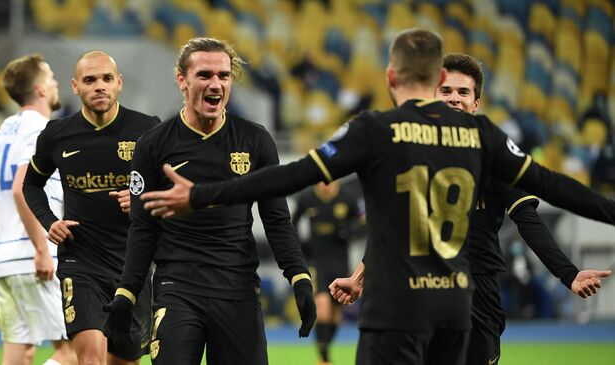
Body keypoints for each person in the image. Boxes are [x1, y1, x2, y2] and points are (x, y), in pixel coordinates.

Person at [136, 29, 615, 365]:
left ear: (391, 77)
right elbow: (554, 185)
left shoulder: (375, 131)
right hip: (455, 303)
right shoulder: (482, 135)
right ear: (434, 81)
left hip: (397, 305)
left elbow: (291, 177)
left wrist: (202, 195)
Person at [331, 52, 613, 365]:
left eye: (463, 92)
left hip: (478, 292)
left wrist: (568, 274)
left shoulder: (495, 154)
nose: (454, 98)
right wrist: (360, 276)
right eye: (446, 91)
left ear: (476, 103)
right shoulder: (413, 155)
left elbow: (527, 219)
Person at [102, 37, 315, 365]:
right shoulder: (153, 145)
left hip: (238, 289)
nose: (215, 83)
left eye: (223, 76)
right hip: (178, 287)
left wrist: (298, 276)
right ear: (181, 80)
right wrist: (126, 293)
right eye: (204, 75)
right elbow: (142, 229)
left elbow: (275, 218)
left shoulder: (255, 140)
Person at [22, 51, 160, 365]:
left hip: (134, 264)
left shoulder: (148, 130)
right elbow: (30, 184)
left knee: (125, 361)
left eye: (107, 79)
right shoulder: (57, 135)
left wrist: (143, 198)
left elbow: (172, 188)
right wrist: (49, 221)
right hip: (81, 260)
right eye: (90, 80)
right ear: (75, 87)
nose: (100, 86)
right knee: (90, 358)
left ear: (119, 83)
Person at [0, 54, 77, 365]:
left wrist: (4, 245)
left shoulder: (7, 129)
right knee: (72, 352)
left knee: (18, 354)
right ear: (42, 89)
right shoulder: (39, 129)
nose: (57, 83)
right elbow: (23, 187)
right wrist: (39, 250)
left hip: (6, 259)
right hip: (37, 257)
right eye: (51, 77)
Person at [291, 180, 363, 365]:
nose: (325, 184)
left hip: (340, 263)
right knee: (322, 308)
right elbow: (293, 223)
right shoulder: (307, 198)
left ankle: (324, 351)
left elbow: (362, 222)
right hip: (316, 262)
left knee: (335, 314)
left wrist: (349, 231)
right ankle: (324, 359)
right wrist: (301, 246)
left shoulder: (347, 198)